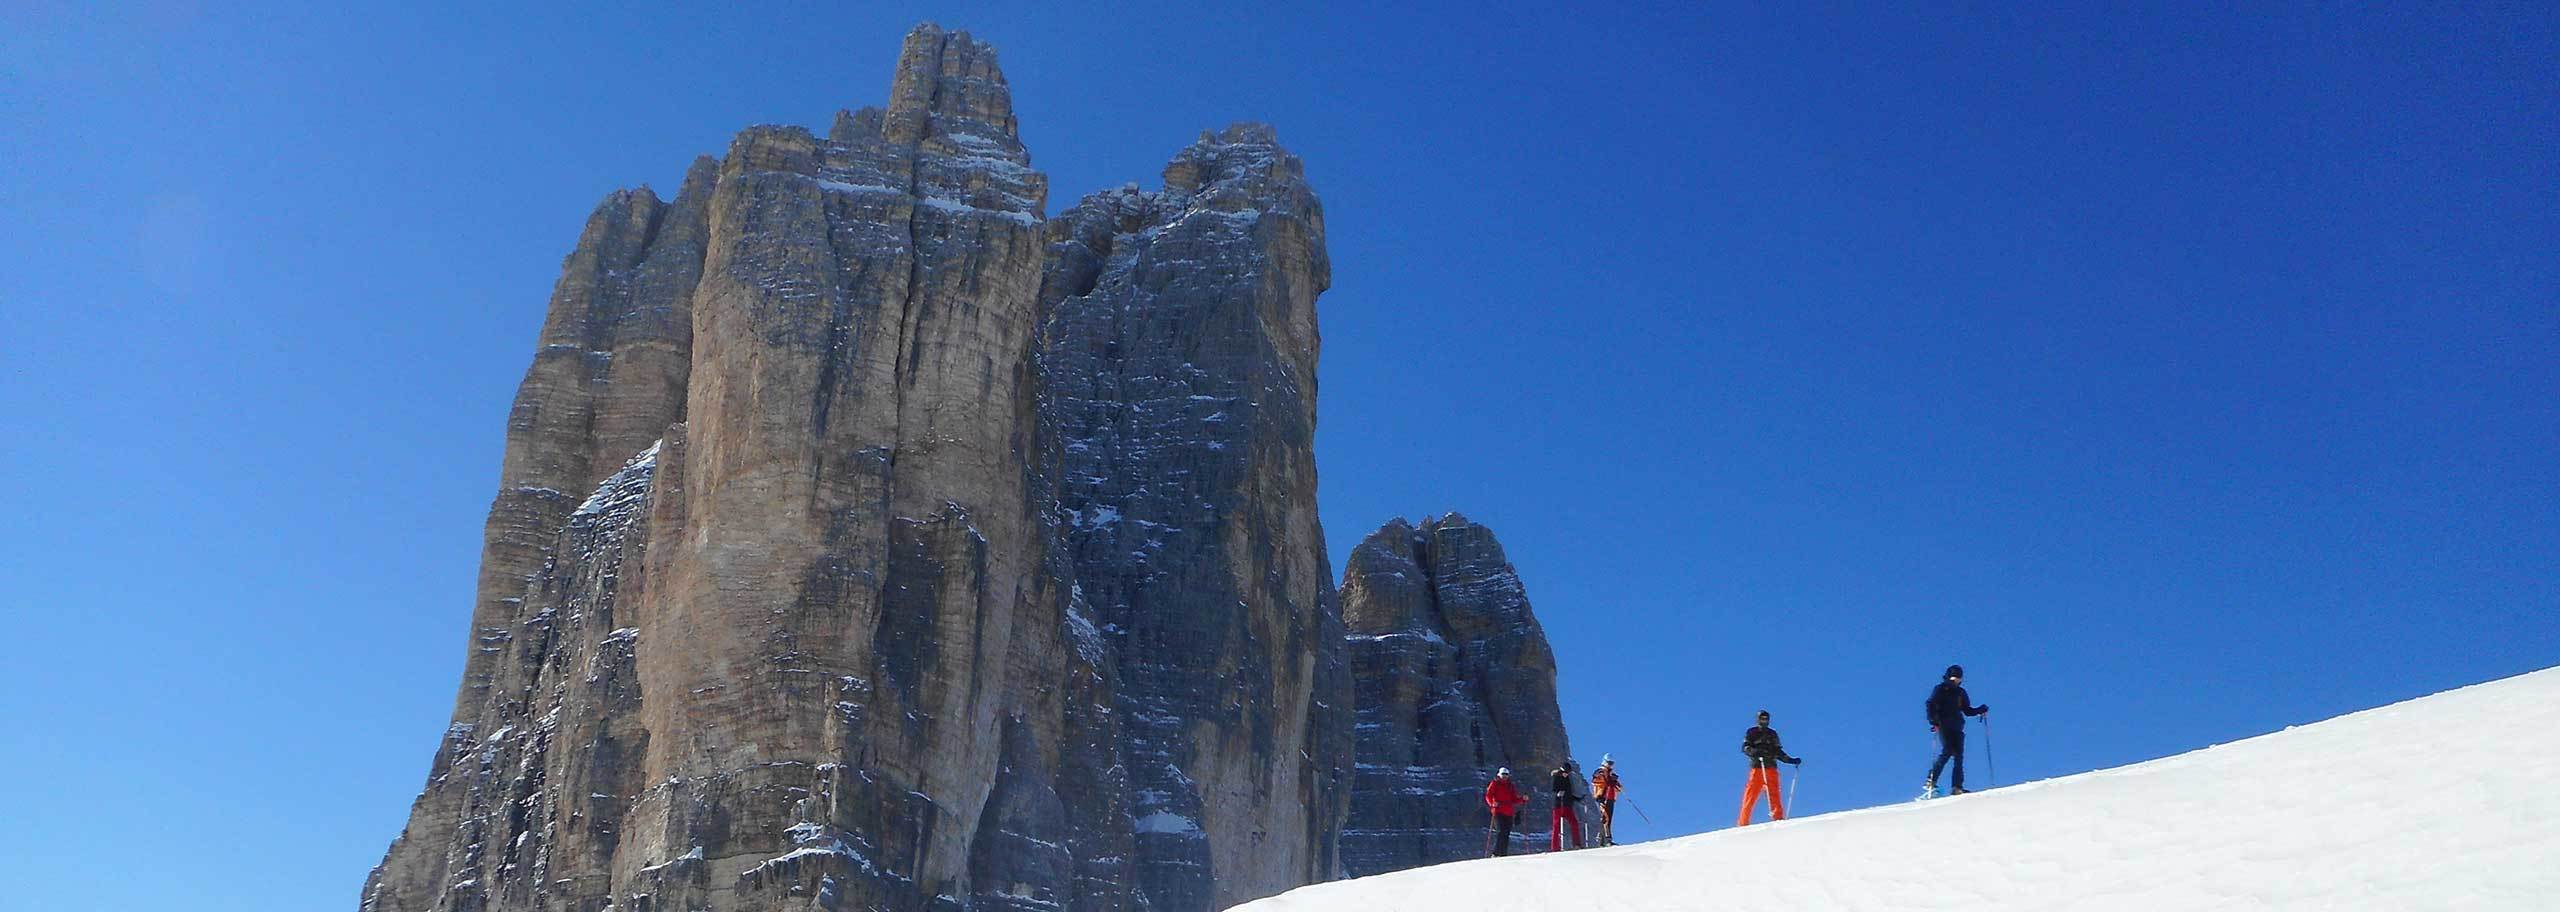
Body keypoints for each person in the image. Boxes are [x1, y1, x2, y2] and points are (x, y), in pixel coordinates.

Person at [1925, 664, 1990, 797]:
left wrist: (1980, 710)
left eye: (1958, 679)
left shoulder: (1961, 693)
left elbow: (1967, 710)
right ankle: (1931, 780)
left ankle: (1957, 787)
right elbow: (1931, 704)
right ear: (1948, 677)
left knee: (1959, 757)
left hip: (1957, 726)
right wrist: (1934, 721)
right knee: (1947, 751)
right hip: (1944, 724)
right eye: (1953, 678)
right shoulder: (1941, 689)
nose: (1955, 681)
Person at [1737, 709, 1802, 826]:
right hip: (1757, 768)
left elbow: (1778, 751)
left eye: (1766, 719)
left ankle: (1778, 819)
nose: (1764, 721)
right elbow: (1745, 747)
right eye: (1762, 719)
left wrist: (1790, 760)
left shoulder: (1772, 734)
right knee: (1750, 795)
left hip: (1771, 767)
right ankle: (1743, 822)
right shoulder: (1752, 732)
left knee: (1774, 794)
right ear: (1758, 719)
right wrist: (1754, 751)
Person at [1483, 767, 1525, 856]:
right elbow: (1488, 796)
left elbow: (1514, 799)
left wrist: (1522, 800)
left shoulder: (1510, 785)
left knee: (1506, 833)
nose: (1505, 777)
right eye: (1503, 775)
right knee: (1500, 831)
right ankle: (1496, 852)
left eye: (1506, 775)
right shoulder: (1494, 783)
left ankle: (1503, 853)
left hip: (1509, 812)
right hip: (1498, 811)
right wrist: (1492, 803)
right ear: (1499, 775)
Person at [1549, 761, 1587, 851]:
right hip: (1558, 805)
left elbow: (1569, 793)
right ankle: (1555, 847)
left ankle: (1576, 844)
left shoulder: (1567, 779)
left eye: (1567, 773)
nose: (1566, 774)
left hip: (1567, 805)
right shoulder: (1557, 776)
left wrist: (1578, 799)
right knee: (1556, 826)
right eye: (1565, 772)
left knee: (1574, 823)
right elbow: (1554, 789)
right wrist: (1559, 793)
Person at [1589, 755, 1624, 846]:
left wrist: (1615, 783)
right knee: (1606, 818)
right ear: (1604, 762)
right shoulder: (1600, 772)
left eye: (1612, 763)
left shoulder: (1611, 774)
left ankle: (1601, 839)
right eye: (1609, 763)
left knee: (1607, 818)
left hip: (1611, 798)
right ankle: (1607, 839)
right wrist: (1608, 780)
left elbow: (1619, 788)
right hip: (1602, 797)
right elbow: (1595, 781)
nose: (1610, 765)